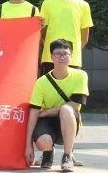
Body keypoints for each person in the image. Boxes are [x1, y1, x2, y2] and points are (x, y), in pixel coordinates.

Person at [25, 39, 88, 172]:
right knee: (43, 141)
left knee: (66, 109)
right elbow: (34, 112)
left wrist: (47, 112)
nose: (61, 57)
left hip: (69, 120)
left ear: (71, 56)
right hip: (47, 122)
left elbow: (75, 105)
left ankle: (68, 156)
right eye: (57, 54)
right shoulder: (41, 82)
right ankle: (48, 153)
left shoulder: (80, 76)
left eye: (65, 54)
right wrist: (28, 145)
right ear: (51, 56)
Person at [39, 0, 93, 73]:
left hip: (73, 60)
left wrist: (70, 53)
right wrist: (54, 52)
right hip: (50, 59)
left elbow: (84, 37)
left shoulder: (84, 5)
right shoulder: (47, 4)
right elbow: (42, 32)